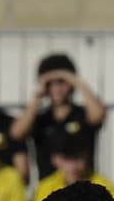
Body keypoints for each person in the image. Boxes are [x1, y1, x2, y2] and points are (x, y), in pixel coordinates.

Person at [11, 53, 107, 183]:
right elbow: (17, 133)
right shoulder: (40, 118)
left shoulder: (82, 114)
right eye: (50, 83)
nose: (57, 88)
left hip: (84, 188)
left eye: (61, 82)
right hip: (49, 192)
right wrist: (37, 96)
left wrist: (76, 81)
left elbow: (98, 115)